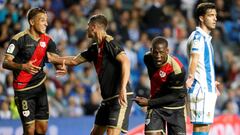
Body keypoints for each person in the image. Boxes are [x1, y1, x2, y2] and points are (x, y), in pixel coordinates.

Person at [51, 14, 134, 135]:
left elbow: (125, 61)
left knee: (111, 133)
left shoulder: (109, 42)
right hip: (107, 100)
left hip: (119, 97)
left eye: (88, 26)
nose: (86, 29)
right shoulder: (95, 48)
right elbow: (74, 60)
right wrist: (52, 59)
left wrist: (122, 88)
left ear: (94, 27)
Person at [2, 8, 66, 135]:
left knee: (42, 129)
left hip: (40, 88)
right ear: (32, 21)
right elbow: (6, 62)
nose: (46, 24)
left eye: (46, 21)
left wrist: (60, 67)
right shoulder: (19, 39)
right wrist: (23, 67)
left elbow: (55, 59)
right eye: (42, 20)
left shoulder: (48, 40)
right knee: (30, 130)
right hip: (23, 91)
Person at [133, 36, 186, 135]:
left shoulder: (177, 69)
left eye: (161, 52)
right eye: (155, 52)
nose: (158, 56)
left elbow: (174, 96)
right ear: (151, 50)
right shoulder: (147, 58)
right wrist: (151, 102)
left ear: (167, 51)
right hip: (156, 106)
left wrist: (149, 102)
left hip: (175, 108)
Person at [185, 3, 220, 135]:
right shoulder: (198, 36)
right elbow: (194, 58)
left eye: (215, 15)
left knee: (205, 127)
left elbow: (202, 64)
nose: (215, 18)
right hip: (200, 89)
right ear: (201, 18)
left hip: (207, 87)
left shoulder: (206, 39)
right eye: (211, 15)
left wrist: (212, 82)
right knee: (200, 127)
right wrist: (190, 77)